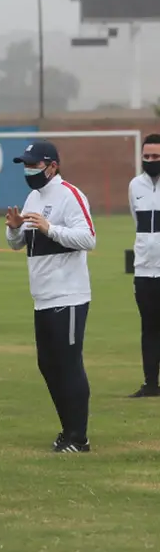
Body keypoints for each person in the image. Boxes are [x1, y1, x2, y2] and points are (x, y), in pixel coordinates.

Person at [5, 139, 95, 453]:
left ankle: (78, 437)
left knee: (69, 364)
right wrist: (15, 229)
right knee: (48, 364)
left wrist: (50, 228)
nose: (29, 170)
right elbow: (19, 245)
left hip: (69, 295)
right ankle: (66, 430)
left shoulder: (70, 194)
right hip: (42, 296)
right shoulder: (32, 196)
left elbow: (88, 238)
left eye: (34, 164)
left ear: (52, 166)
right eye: (25, 165)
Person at [128, 133, 160, 398]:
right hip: (144, 271)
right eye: (147, 156)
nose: (151, 160)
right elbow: (137, 223)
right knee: (148, 326)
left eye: (156, 157)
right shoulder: (134, 186)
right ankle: (151, 384)